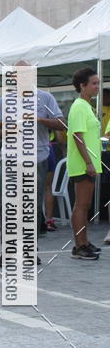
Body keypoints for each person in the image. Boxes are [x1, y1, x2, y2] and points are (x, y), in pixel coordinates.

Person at [0, 61, 66, 267]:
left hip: (36, 158)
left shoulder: (45, 98)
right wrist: (10, 129)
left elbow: (61, 123)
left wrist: (39, 120)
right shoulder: (5, 100)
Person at [66, 67, 102, 260]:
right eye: (94, 83)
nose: (97, 87)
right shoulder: (79, 106)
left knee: (84, 205)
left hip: (89, 163)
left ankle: (84, 242)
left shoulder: (86, 106)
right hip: (82, 164)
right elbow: (78, 136)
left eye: (98, 83)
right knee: (81, 205)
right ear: (83, 86)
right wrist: (88, 162)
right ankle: (79, 245)